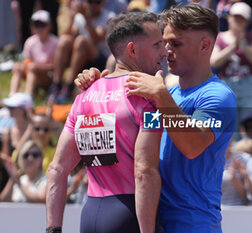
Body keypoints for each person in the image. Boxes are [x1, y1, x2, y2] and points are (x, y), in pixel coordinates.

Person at [76, 4, 236, 232]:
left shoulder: (220, 97)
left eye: (176, 43)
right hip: (153, 223)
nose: (166, 51)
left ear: (205, 45)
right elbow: (122, 144)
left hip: (194, 225)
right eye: (164, 42)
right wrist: (98, 87)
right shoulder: (162, 95)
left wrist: (160, 95)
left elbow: (192, 145)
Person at [46, 12, 166, 233]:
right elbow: (143, 172)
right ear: (132, 50)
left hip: (90, 213)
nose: (165, 51)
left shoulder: (83, 97)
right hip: (130, 215)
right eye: (158, 44)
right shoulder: (146, 98)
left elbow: (57, 168)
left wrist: (53, 228)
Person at [210, 2, 252, 128]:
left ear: (247, 21)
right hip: (228, 85)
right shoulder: (220, 37)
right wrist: (233, 47)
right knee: (229, 128)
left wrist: (243, 45)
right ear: (229, 17)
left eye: (242, 19)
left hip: (249, 86)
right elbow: (214, 61)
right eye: (235, 17)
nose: (238, 22)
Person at [50, 0, 115, 103]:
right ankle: (56, 85)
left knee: (81, 41)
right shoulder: (79, 17)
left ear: (103, 3)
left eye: (97, 2)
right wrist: (72, 17)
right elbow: (67, 35)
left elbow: (96, 39)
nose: (93, 5)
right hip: (82, 56)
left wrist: (86, 18)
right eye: (90, 2)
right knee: (64, 41)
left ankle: (69, 86)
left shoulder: (109, 16)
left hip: (101, 58)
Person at [9, 10, 58, 96]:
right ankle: (12, 95)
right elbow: (26, 60)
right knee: (18, 67)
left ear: (49, 25)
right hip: (32, 71)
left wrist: (37, 67)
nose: (39, 28)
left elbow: (55, 67)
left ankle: (28, 97)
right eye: (36, 25)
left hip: (49, 77)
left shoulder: (56, 42)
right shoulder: (30, 41)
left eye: (42, 25)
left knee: (32, 67)